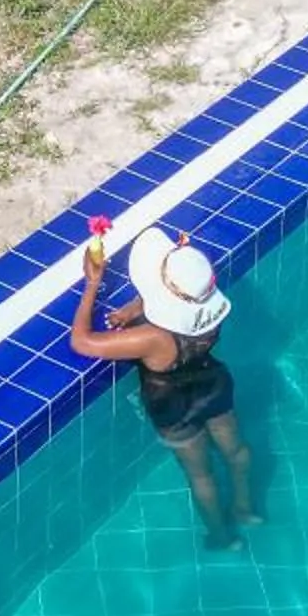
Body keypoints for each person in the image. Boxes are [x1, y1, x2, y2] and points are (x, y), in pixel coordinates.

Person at [70, 223, 260, 549]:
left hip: (172, 405)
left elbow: (82, 342)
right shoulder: (209, 317)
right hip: (213, 383)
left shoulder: (153, 340)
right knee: (236, 450)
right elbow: (179, 303)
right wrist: (134, 308)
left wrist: (92, 283)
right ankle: (245, 509)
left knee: (201, 475)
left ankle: (222, 538)